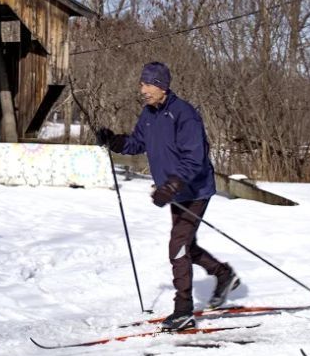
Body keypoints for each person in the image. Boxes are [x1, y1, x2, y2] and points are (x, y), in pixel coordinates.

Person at [96, 61, 240, 331]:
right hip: (175, 191)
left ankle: (183, 309)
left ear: (162, 86)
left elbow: (194, 158)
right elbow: (138, 142)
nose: (143, 89)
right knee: (185, 245)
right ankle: (224, 274)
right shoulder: (149, 114)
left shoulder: (184, 115)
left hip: (194, 190)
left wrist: (172, 186)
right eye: (142, 83)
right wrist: (114, 140)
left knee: (178, 246)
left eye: (148, 84)